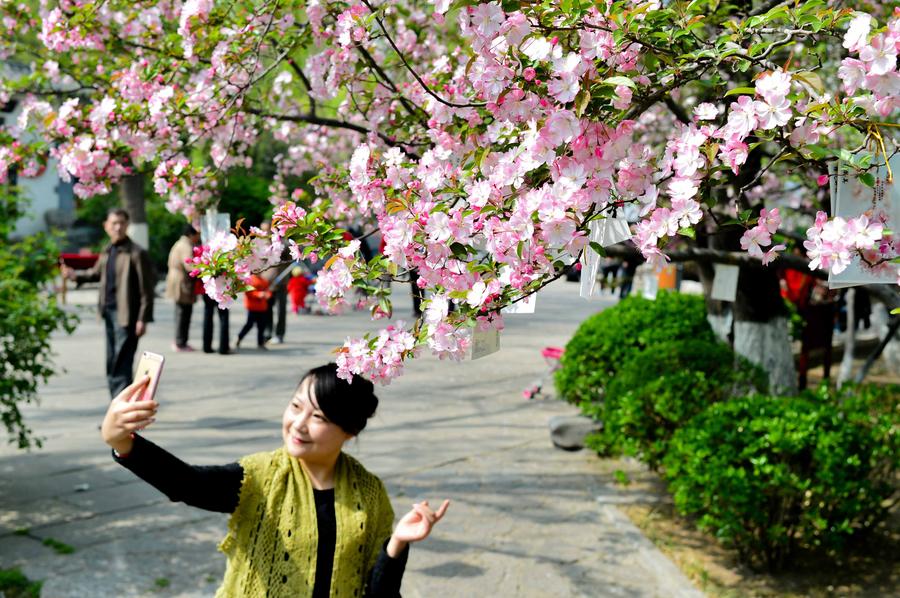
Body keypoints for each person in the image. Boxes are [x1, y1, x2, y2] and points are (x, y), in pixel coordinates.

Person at [100, 363, 450, 597]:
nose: (298, 424)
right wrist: (123, 442)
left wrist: (398, 544)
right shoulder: (260, 477)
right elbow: (187, 484)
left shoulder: (370, 493)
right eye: (296, 407)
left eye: (318, 417)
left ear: (349, 430)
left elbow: (379, 593)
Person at [62, 208, 155, 397]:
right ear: (106, 226)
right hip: (109, 312)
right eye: (114, 223)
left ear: (127, 225)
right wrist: (74, 276)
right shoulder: (108, 249)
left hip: (127, 316)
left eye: (122, 223)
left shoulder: (136, 253)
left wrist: (142, 319)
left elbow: (147, 289)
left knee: (121, 365)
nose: (118, 227)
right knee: (112, 363)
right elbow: (96, 274)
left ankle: (121, 416)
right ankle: (116, 411)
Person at [165, 224, 201, 352]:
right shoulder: (186, 246)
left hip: (177, 278)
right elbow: (189, 265)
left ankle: (180, 341)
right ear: (191, 234)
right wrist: (204, 270)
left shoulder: (180, 243)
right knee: (183, 313)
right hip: (181, 281)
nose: (198, 237)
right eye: (197, 235)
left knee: (182, 312)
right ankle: (180, 342)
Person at [236, 273, 272, 350]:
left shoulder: (264, 281)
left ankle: (260, 343)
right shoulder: (250, 280)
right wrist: (258, 294)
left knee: (261, 326)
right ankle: (239, 337)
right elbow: (248, 293)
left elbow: (268, 290)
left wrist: (268, 295)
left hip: (262, 307)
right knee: (249, 325)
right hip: (252, 307)